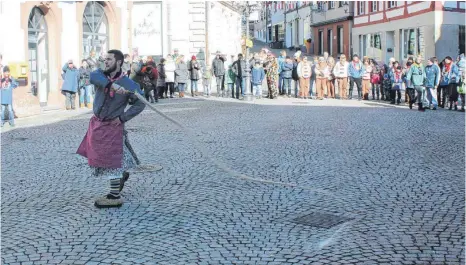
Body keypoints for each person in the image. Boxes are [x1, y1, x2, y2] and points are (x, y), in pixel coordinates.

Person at [76, 49, 145, 208]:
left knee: (111, 160)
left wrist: (122, 117)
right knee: (100, 157)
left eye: (109, 59)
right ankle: (121, 176)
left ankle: (114, 196)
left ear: (119, 62)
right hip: (98, 125)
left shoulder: (129, 83)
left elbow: (141, 103)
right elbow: (93, 76)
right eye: (105, 59)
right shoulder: (100, 74)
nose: (105, 62)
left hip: (113, 127)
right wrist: (112, 85)